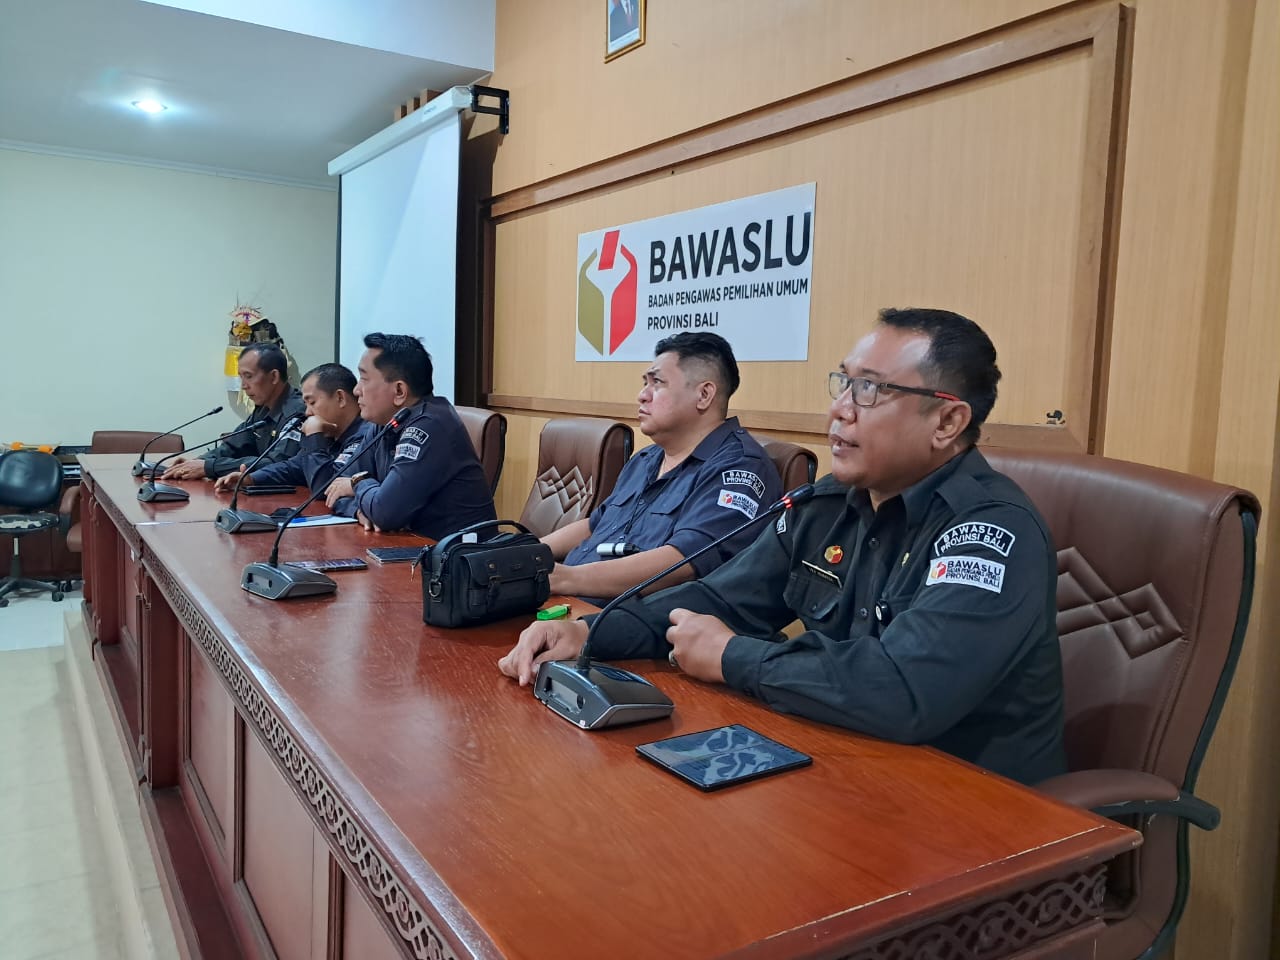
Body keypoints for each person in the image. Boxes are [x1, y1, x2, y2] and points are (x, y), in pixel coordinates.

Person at [499, 308, 1066, 785]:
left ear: (947, 420)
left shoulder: (990, 532)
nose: (840, 409)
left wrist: (733, 656)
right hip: (846, 768)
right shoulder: (829, 506)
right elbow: (717, 600)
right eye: (843, 383)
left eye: (870, 389)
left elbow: (903, 690)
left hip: (970, 809)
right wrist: (588, 633)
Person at [544, 331, 781, 604]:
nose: (642, 396)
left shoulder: (739, 469)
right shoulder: (645, 459)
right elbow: (595, 526)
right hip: (567, 601)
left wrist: (570, 578)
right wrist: (530, 554)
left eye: (657, 383)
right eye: (645, 383)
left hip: (629, 625)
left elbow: (682, 561)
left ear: (704, 395)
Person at [322, 332, 496, 539]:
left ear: (399, 392)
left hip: (458, 559)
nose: (357, 390)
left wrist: (358, 484)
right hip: (412, 551)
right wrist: (360, 510)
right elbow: (336, 487)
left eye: (364, 378)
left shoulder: (429, 426)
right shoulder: (383, 423)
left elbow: (385, 512)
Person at [212, 362, 365, 500]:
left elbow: (324, 489)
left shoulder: (366, 436)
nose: (307, 412)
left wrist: (314, 435)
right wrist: (251, 479)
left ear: (340, 398)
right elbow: (294, 467)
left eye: (312, 402)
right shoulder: (329, 432)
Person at [162, 343, 305, 480]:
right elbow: (233, 446)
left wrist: (209, 467)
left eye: (248, 376)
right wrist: (197, 462)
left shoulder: (298, 411)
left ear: (274, 376)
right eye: (241, 377)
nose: (243, 386)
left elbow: (275, 463)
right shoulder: (263, 407)